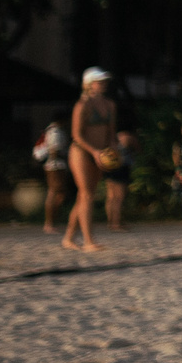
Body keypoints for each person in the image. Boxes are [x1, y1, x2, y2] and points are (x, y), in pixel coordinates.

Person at [65, 67, 117, 252]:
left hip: (101, 153)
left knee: (84, 196)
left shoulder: (109, 104)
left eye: (104, 81)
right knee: (87, 194)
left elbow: (111, 132)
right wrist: (94, 152)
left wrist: (112, 149)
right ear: (88, 84)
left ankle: (69, 238)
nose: (103, 83)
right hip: (82, 152)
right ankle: (88, 241)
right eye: (99, 81)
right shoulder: (82, 105)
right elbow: (76, 135)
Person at [33, 120, 69, 237]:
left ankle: (51, 221)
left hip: (53, 166)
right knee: (55, 193)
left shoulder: (51, 131)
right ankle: (50, 222)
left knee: (57, 193)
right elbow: (54, 150)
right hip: (55, 166)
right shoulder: (55, 132)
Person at [101, 129, 136, 230]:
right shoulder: (126, 138)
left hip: (110, 167)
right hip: (121, 168)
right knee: (119, 197)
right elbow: (136, 149)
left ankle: (110, 221)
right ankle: (116, 223)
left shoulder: (111, 139)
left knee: (111, 197)